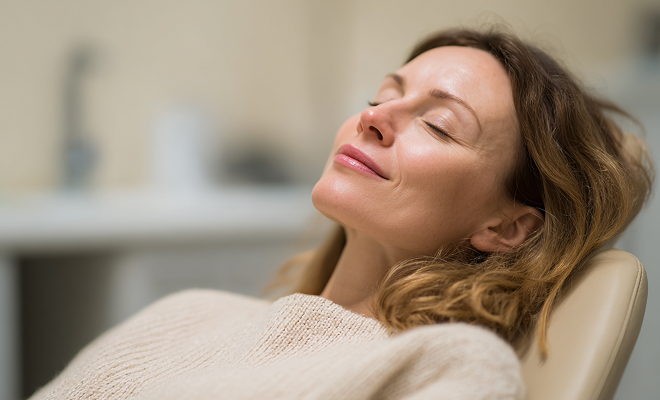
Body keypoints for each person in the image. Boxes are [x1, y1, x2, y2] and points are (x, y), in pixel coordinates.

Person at [30, 27, 652, 400]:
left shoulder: (453, 366)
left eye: (437, 125)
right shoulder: (185, 315)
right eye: (383, 95)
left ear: (508, 227)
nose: (374, 118)